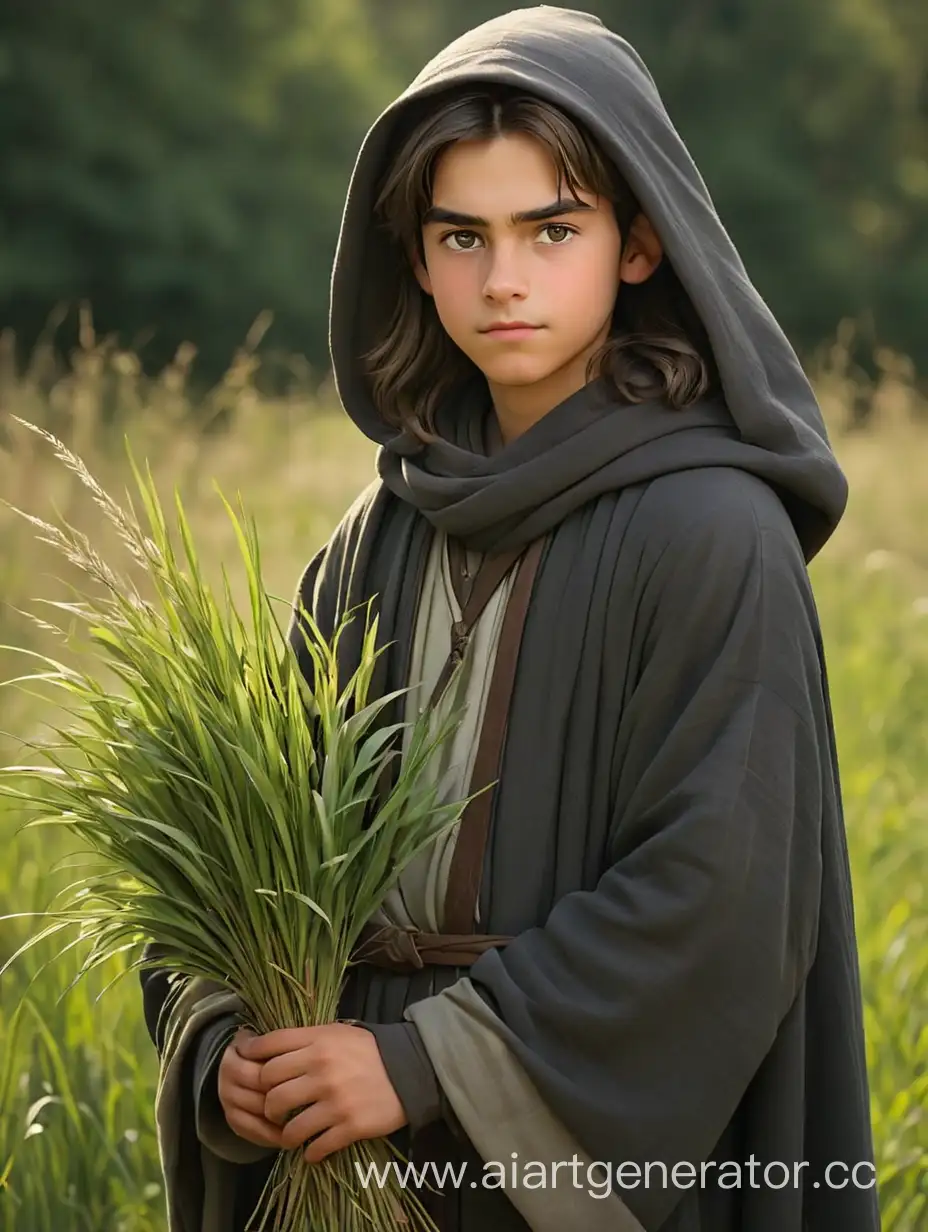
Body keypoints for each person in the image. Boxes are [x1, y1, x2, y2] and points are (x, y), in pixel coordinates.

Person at [142, 7, 881, 1231]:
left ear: (637, 244)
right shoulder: (366, 545)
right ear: (414, 258)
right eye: (460, 235)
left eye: (552, 228)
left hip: (591, 1168)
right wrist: (230, 1044)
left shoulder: (711, 532)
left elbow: (720, 898)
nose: (503, 280)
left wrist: (420, 1062)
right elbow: (224, 852)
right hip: (347, 1167)